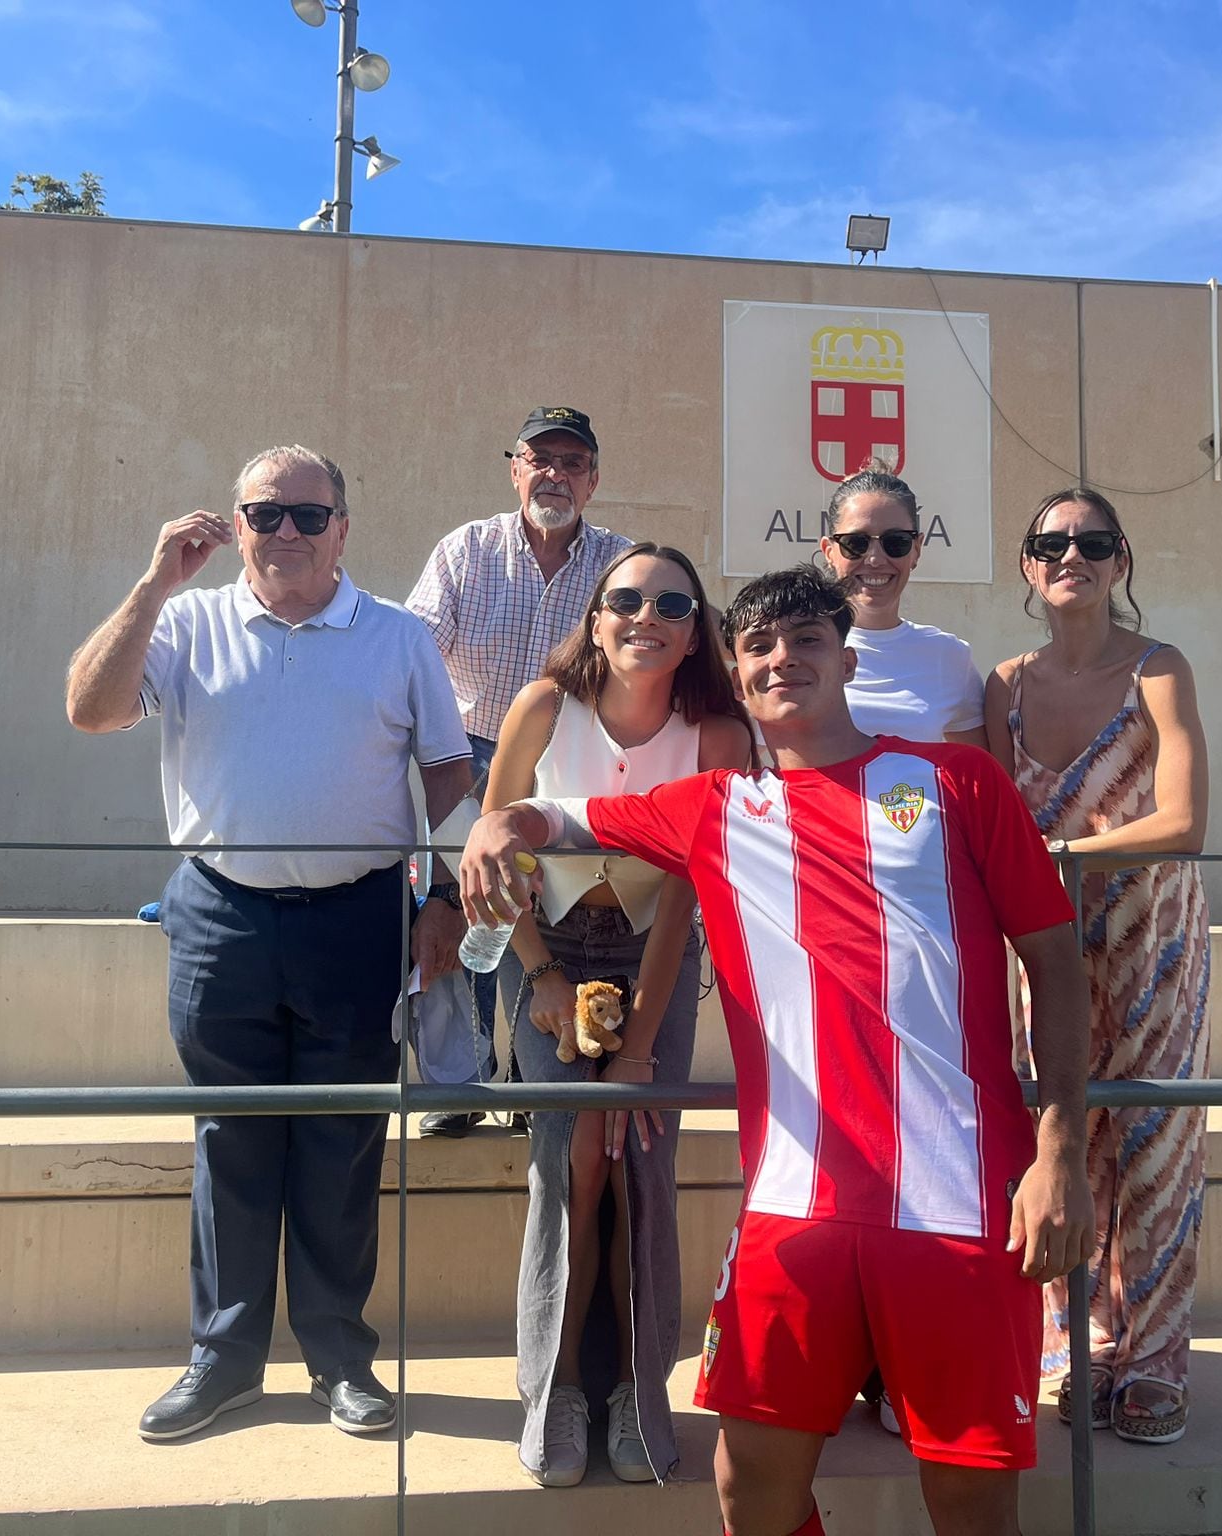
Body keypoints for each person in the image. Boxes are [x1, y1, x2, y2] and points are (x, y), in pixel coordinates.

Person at [462, 564, 1093, 1536]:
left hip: (959, 1202)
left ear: (845, 659)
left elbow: (1053, 965)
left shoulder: (956, 785)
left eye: (804, 640)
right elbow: (562, 818)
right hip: (792, 1210)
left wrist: (1060, 1157)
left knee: (968, 1500)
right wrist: (501, 822)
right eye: (757, 645)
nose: (779, 659)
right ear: (736, 671)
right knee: (747, 1482)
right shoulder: (716, 806)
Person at [65, 443, 474, 1442]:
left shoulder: (396, 636)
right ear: (233, 525)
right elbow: (91, 708)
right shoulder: (185, 621)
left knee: (340, 1145)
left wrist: (427, 889)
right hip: (221, 917)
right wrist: (151, 586)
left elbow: (448, 770)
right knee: (232, 1140)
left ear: (342, 527)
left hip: (356, 916)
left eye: (305, 514)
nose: (284, 531)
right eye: (263, 514)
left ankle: (340, 1360)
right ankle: (224, 1361)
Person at [481, 543, 752, 1487]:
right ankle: (551, 1390)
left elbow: (687, 893)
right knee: (570, 1163)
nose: (646, 615)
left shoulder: (716, 733)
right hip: (545, 948)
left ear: (693, 631)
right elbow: (497, 848)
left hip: (657, 961)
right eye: (625, 598)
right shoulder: (544, 707)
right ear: (596, 618)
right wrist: (539, 976)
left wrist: (641, 1041)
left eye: (670, 604)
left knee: (640, 1158)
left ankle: (641, 1392)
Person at [984, 487, 1210, 1447]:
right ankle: (1077, 1348)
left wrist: (1059, 859)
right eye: (1052, 542)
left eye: (1094, 541)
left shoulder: (1158, 671)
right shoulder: (1000, 684)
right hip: (1042, 945)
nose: (1072, 554)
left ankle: (1154, 1360)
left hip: (1149, 936)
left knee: (1154, 1146)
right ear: (1028, 564)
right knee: (1063, 1136)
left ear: (1121, 560)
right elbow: (993, 817)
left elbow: (1186, 823)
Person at [406, 406, 632, 1136]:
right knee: (462, 915)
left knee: (546, 924)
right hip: (466, 761)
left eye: (572, 463)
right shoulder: (465, 551)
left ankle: (531, 1081)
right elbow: (414, 656)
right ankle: (463, 1084)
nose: (555, 475)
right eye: (540, 460)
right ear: (515, 470)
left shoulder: (621, 565)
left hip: (572, 767)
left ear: (593, 481)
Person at [817, 459, 986, 747]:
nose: (874, 559)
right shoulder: (793, 648)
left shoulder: (949, 656)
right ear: (829, 551)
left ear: (916, 550)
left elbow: (975, 775)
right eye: (856, 543)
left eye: (895, 542)